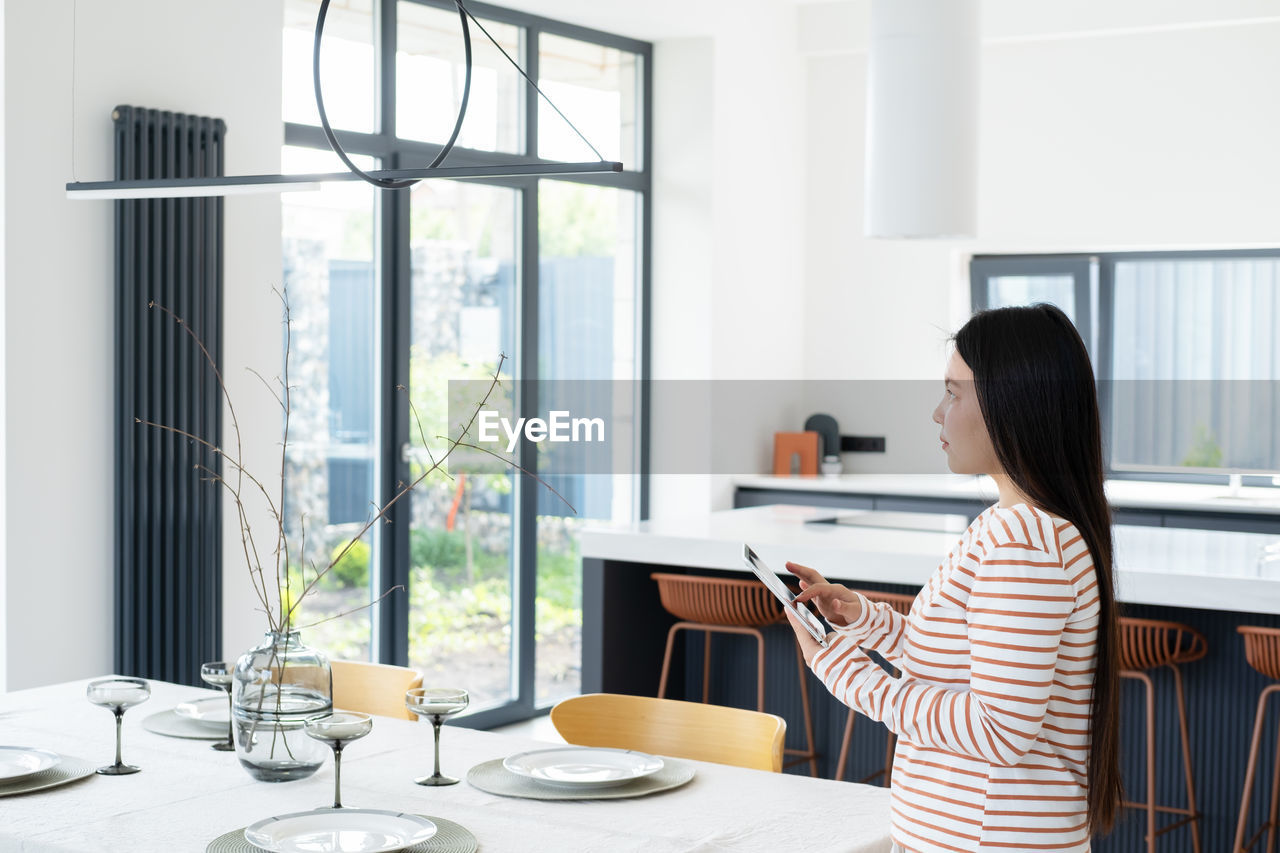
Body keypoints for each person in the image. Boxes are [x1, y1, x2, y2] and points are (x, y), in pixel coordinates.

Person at [784, 304, 1121, 853]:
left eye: (953, 392)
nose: (937, 413)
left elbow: (1000, 730)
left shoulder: (1023, 542)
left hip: (986, 838)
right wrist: (861, 620)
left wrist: (841, 670)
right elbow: (961, 661)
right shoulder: (1015, 525)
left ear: (1010, 402)